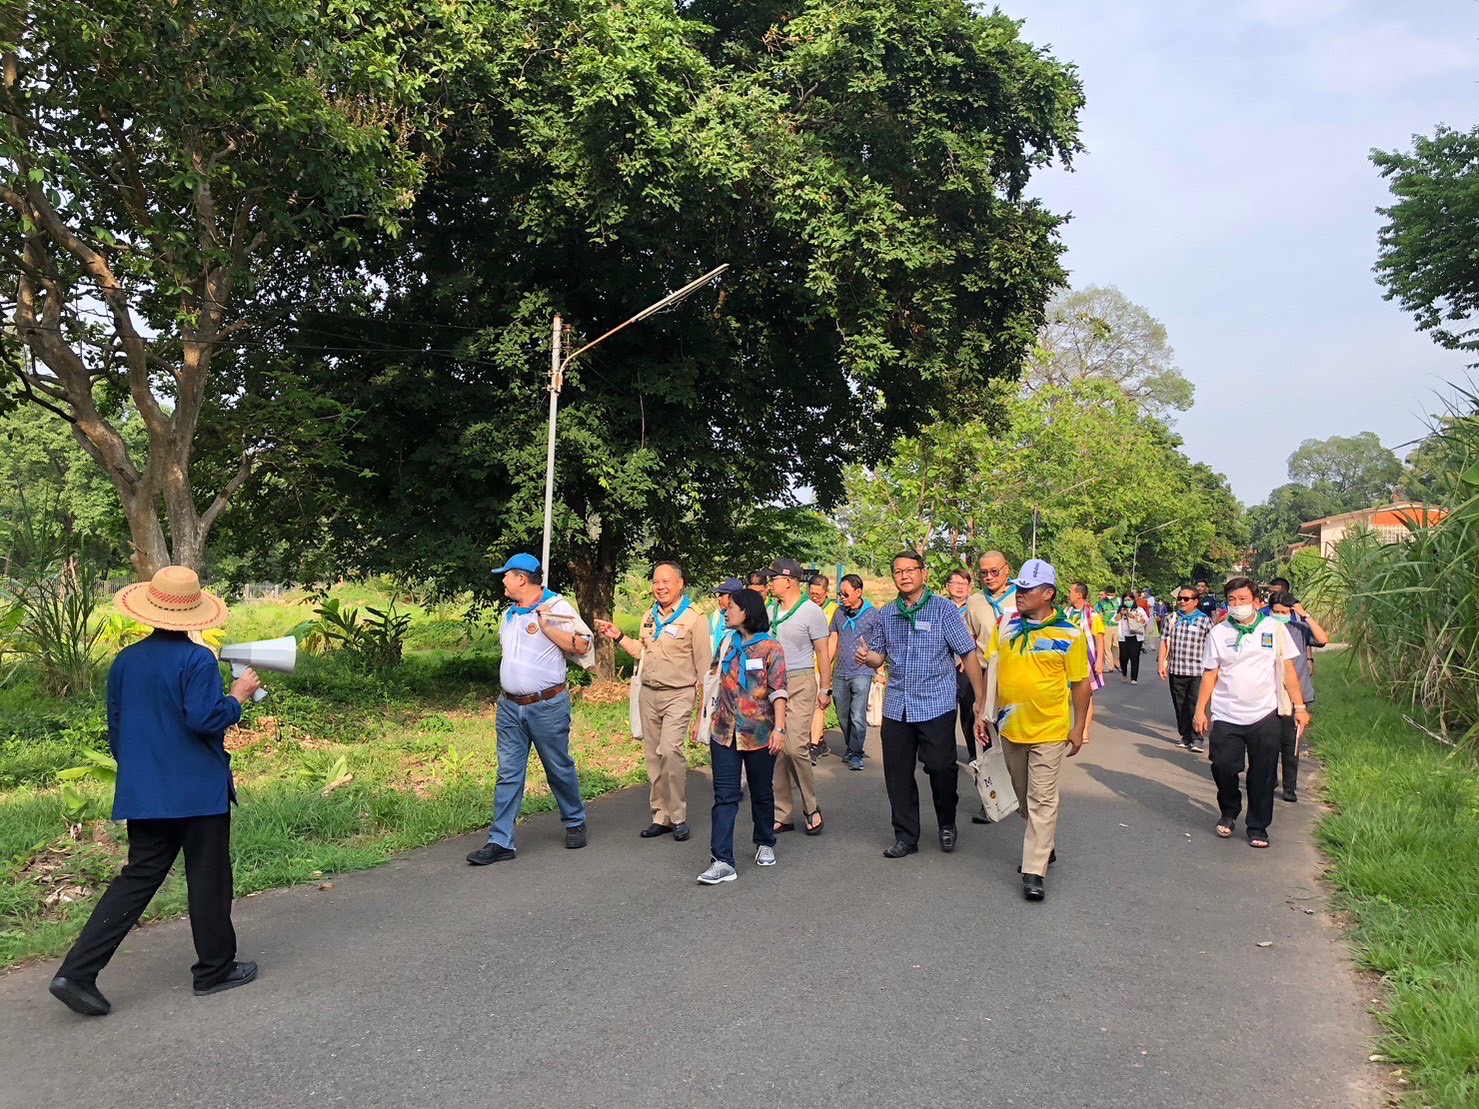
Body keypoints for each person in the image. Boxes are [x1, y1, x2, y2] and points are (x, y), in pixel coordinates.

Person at [49, 566, 263, 1017]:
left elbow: (118, 728)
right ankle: (214, 970)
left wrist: (141, 773)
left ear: (150, 611)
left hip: (146, 791)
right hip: (197, 792)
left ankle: (77, 972)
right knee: (208, 878)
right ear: (195, 615)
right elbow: (205, 720)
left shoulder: (126, 660)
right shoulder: (198, 659)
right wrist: (239, 695)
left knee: (137, 879)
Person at [854, 551, 988, 858]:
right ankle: (905, 836)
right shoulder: (887, 613)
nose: (904, 575)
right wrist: (868, 658)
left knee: (941, 767)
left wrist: (979, 699)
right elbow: (879, 655)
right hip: (897, 704)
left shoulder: (943, 610)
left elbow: (967, 653)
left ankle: (946, 822)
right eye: (898, 571)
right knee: (897, 773)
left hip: (936, 702)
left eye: (910, 570)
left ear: (923, 574)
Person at [468, 554, 590, 866]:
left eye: (506, 576)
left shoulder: (556, 607)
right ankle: (501, 841)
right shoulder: (511, 614)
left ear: (522, 578)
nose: (503, 581)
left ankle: (574, 820)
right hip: (509, 707)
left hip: (546, 705)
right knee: (508, 773)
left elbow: (582, 645)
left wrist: (547, 626)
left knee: (558, 767)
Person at [989, 559, 1091, 903]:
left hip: (1049, 729)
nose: (1019, 594)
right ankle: (1044, 843)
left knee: (1042, 799)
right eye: (1017, 587)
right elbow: (992, 671)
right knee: (1022, 798)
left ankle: (1033, 870)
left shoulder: (1069, 633)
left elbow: (1080, 685)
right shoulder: (1004, 624)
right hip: (1009, 728)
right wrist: (981, 713)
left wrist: (1078, 727)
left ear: (1048, 594)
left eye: (1027, 589)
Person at [594, 561, 709, 842]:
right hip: (648, 693)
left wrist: (701, 715)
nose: (660, 587)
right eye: (656, 582)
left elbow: (704, 671)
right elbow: (640, 652)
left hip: (679, 694)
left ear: (680, 584)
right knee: (653, 756)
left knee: (671, 751)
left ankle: (679, 816)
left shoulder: (694, 618)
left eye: (666, 581)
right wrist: (618, 636)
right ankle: (661, 815)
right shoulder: (650, 615)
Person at [1192, 577, 1311, 849]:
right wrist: (1201, 710)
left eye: (1243, 599)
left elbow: (1288, 670)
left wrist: (1300, 707)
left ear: (1257, 602)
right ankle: (1229, 810)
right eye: (1232, 600)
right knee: (1223, 766)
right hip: (1226, 713)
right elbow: (1210, 674)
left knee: (1264, 773)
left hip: (1265, 713)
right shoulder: (1218, 633)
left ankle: (1257, 826)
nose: (1237, 605)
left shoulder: (1274, 630)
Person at [697, 589, 788, 885]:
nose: (725, 611)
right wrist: (702, 717)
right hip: (723, 731)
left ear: (746, 612)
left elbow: (778, 690)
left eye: (731, 607)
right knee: (724, 795)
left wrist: (780, 728)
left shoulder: (770, 648)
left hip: (759, 733)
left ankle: (764, 841)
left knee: (762, 791)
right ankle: (722, 860)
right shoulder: (726, 643)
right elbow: (712, 681)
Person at [764, 558, 832, 835]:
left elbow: (822, 653)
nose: (770, 583)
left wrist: (825, 688)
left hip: (801, 680)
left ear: (788, 580)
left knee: (795, 747)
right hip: (772, 683)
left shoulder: (811, 612)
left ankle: (811, 806)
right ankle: (783, 812)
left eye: (774, 578)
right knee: (776, 748)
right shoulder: (770, 612)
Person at [962, 551, 1017, 822]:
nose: (989, 577)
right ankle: (990, 795)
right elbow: (969, 637)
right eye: (983, 572)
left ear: (1007, 570)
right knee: (981, 734)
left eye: (994, 571)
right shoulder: (976, 600)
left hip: (1013, 674)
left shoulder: (1022, 596)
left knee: (1010, 737)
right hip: (982, 673)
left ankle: (1018, 791)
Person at [1266, 591, 1328, 802]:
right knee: (1269, 741)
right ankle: (1269, 778)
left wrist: (1305, 615)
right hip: (1271, 694)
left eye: (1285, 612)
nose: (1281, 615)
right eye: (1277, 611)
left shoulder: (1299, 629)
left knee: (1291, 744)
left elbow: (1322, 639)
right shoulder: (1265, 629)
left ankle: (1289, 787)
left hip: (1299, 695)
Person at [828, 574, 880, 771]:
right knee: (842, 714)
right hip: (840, 671)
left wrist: (880, 670)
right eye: (840, 593)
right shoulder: (838, 613)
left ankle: (856, 753)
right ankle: (851, 747)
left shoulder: (873, 614)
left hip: (862, 671)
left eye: (846, 593)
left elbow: (879, 644)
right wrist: (825, 667)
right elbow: (833, 639)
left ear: (858, 592)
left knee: (857, 714)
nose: (842, 597)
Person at [1157, 585, 1215, 752]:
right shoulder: (1172, 619)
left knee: (1196, 704)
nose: (1182, 602)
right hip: (1176, 669)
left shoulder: (1205, 621)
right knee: (1180, 704)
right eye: (1180, 599)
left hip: (1198, 671)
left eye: (1186, 599)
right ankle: (1185, 735)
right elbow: (1163, 641)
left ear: (1195, 601)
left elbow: (1212, 646)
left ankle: (1197, 737)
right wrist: (1161, 663)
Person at [945, 568, 982, 761]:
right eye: (956, 583)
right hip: (944, 668)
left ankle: (975, 753)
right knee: (944, 713)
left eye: (964, 584)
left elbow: (982, 633)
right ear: (947, 586)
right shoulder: (941, 607)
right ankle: (944, 753)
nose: (960, 588)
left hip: (968, 668)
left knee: (969, 712)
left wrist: (968, 657)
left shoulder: (976, 607)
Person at [1065, 582, 1106, 743]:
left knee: (1085, 695)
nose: (1069, 594)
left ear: (1079, 595)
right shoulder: (1066, 613)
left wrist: (1100, 661)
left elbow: (1099, 640)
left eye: (1071, 592)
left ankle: (1084, 731)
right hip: (1067, 659)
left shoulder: (1093, 616)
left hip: (1086, 660)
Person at [807, 573, 840, 760]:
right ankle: (818, 739)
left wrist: (826, 664)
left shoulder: (834, 611)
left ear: (826, 592)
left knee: (819, 706)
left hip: (823, 666)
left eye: (818, 594)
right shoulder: (805, 607)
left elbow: (834, 641)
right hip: (805, 664)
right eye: (812, 593)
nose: (814, 597)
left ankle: (813, 746)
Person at [709, 577, 745, 655]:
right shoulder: (716, 616)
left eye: (722, 595)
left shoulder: (745, 618)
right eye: (718, 594)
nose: (719, 598)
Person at [1117, 598, 1147, 683]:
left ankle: (1134, 678)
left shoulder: (1138, 610)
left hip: (1136, 636)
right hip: (1123, 637)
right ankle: (1124, 673)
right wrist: (1121, 613)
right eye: (1126, 600)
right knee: (1123, 657)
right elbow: (1114, 620)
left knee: (1134, 657)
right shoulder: (1120, 609)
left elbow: (1145, 620)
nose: (1128, 601)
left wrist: (1134, 616)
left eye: (1129, 599)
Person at [1094, 587, 1121, 673]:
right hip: (1106, 625)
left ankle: (1118, 663)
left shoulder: (1119, 601)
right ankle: (1110, 666)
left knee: (1116, 646)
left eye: (1111, 595)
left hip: (1117, 625)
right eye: (1108, 595)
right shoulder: (1101, 603)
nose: (1110, 596)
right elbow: (1099, 615)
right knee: (1107, 646)